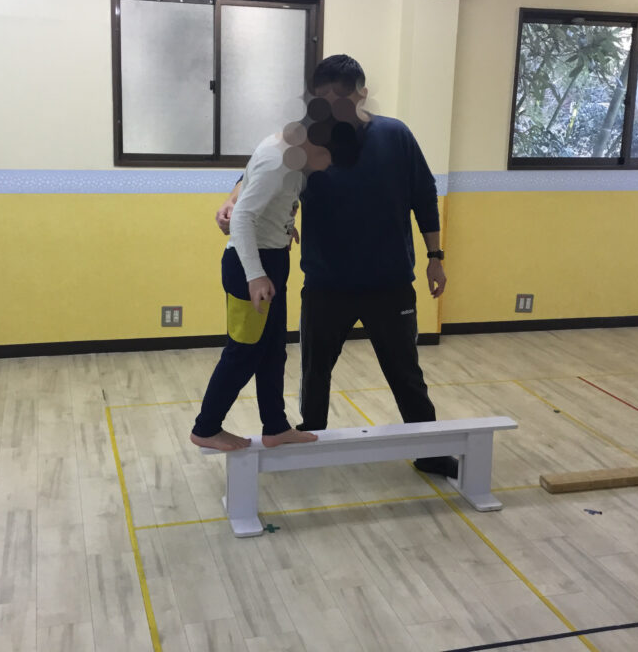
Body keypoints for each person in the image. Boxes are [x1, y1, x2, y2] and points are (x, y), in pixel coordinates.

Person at [216, 55, 456, 477]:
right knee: (315, 373)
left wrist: (435, 257)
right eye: (323, 99)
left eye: (341, 97)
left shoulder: (395, 135)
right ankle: (312, 440)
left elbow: (424, 193)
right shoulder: (307, 138)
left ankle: (430, 451)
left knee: (406, 373)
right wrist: (232, 200)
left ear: (362, 94)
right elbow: (258, 170)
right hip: (326, 282)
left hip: (389, 282)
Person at [191, 116, 343, 451]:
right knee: (244, 352)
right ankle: (206, 428)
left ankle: (275, 427)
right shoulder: (279, 161)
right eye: (327, 155)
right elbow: (242, 217)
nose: (327, 163)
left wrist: (283, 226)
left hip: (272, 258)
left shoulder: (292, 152)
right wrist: (255, 275)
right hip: (250, 265)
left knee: (273, 351)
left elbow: (264, 199)